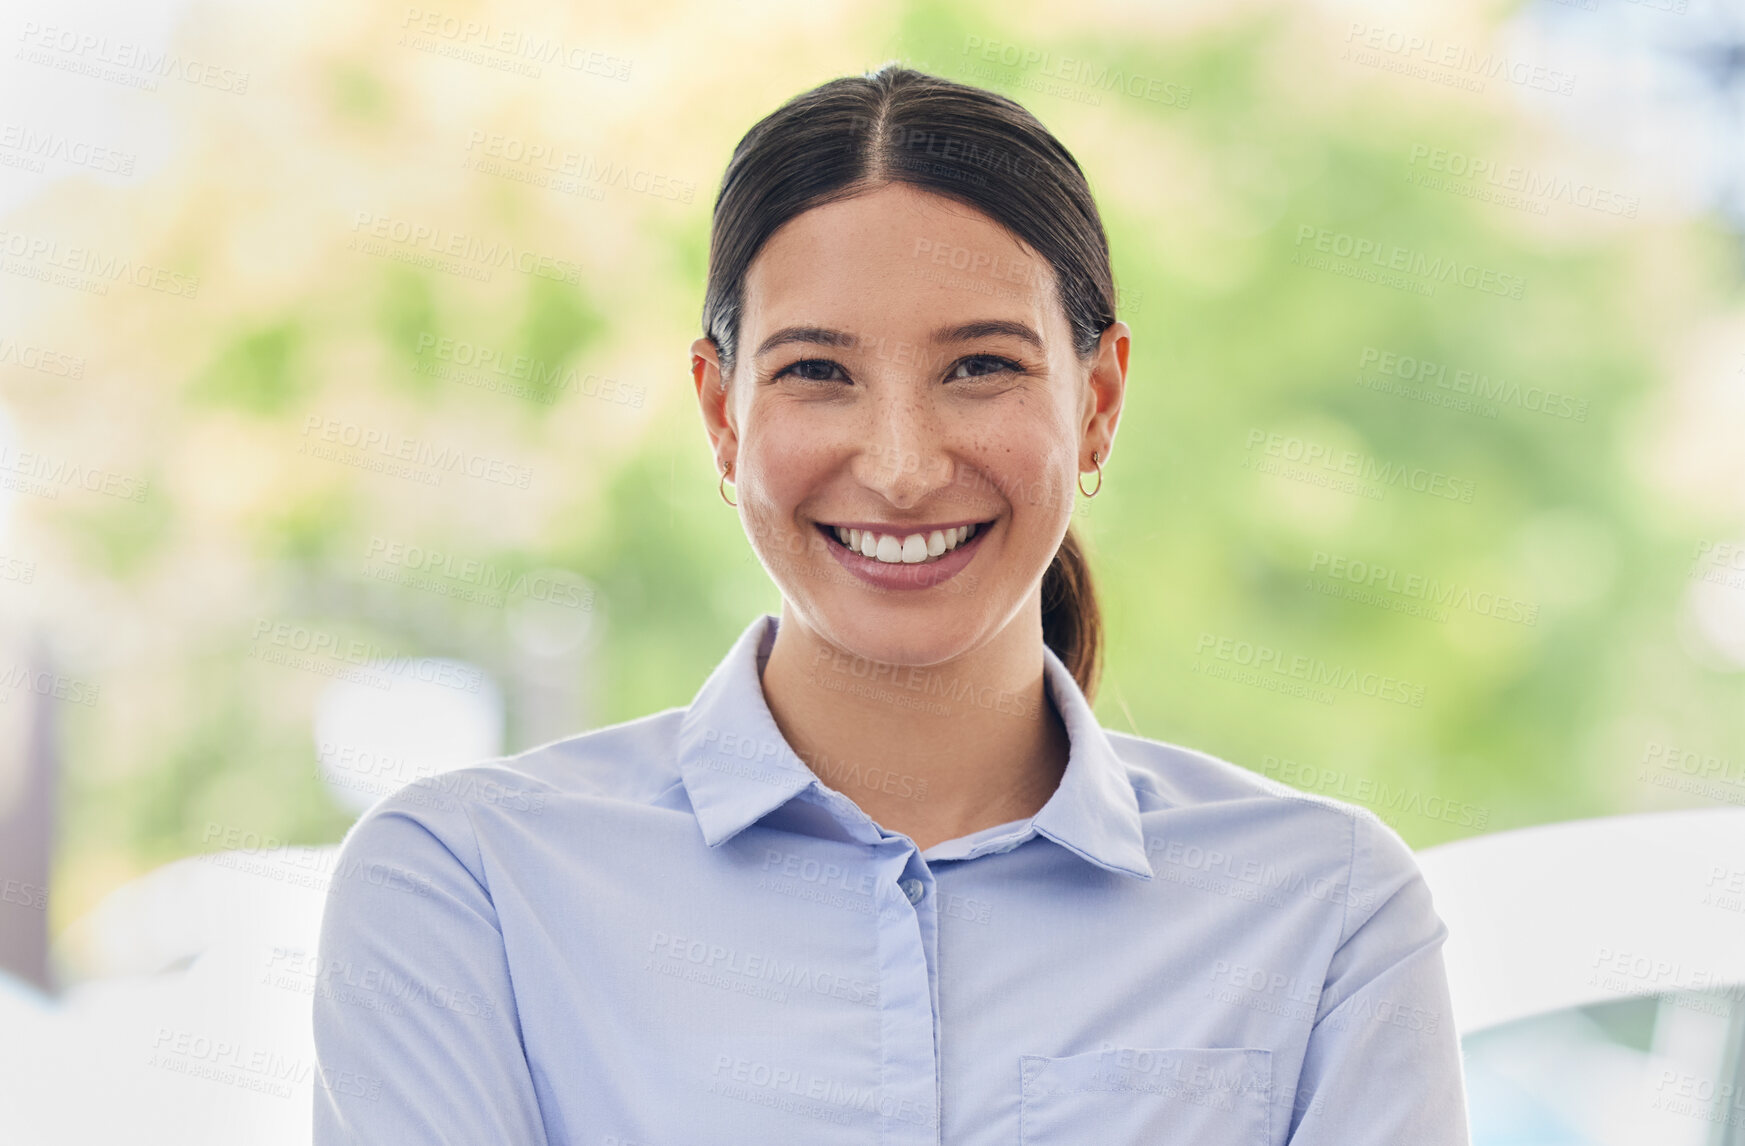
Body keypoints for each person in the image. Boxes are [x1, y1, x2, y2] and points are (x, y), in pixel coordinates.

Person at [312, 63, 1472, 1144]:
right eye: (817, 371)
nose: (903, 467)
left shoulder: (1323, 913)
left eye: (980, 367)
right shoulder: (468, 886)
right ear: (722, 414)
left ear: (1098, 401)